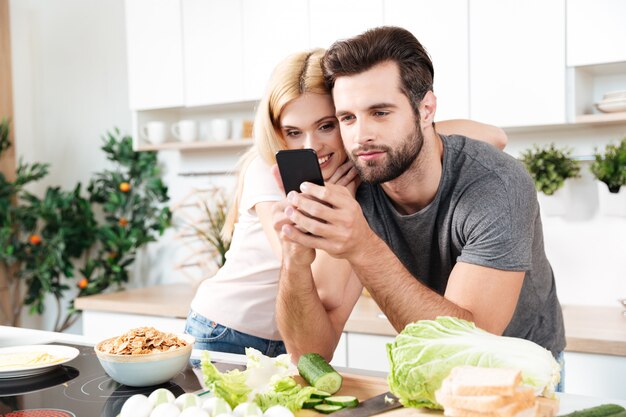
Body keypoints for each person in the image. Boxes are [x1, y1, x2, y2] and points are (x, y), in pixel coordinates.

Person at [185, 47, 508, 357]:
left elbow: (495, 136)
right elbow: (299, 260)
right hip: (225, 330)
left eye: (326, 126)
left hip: (287, 339)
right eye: (294, 132)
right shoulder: (268, 169)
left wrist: (405, 134)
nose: (311, 146)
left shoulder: (360, 165)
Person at [273, 26, 565, 369]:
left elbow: (470, 347)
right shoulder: (357, 186)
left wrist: (362, 246)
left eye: (380, 112)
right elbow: (311, 354)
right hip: (430, 366)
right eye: (347, 118)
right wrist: (294, 258)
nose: (361, 136)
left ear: (426, 109)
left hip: (521, 367)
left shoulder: (496, 184)